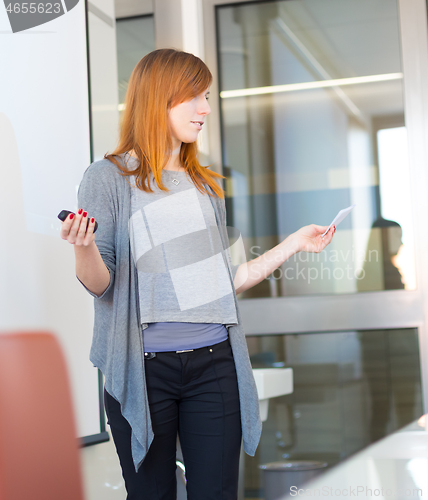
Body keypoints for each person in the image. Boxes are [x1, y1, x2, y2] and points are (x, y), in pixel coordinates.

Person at [60, 48, 337, 500]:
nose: (205, 108)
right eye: (193, 96)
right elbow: (101, 285)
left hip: (214, 363)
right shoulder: (109, 177)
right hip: (144, 370)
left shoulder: (206, 185)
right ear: (157, 99)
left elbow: (220, 285)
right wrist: (84, 247)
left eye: (206, 96)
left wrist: (294, 245)